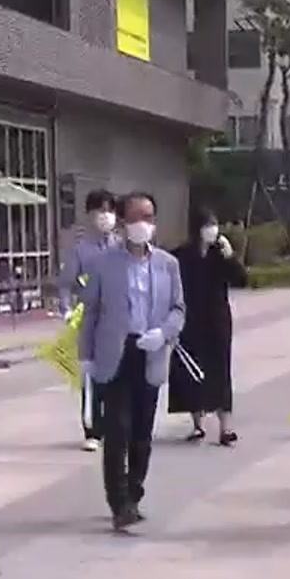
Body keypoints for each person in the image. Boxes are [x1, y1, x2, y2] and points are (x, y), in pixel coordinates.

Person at [78, 190, 184, 532]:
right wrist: (85, 356)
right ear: (123, 223)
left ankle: (134, 493)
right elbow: (91, 311)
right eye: (137, 217)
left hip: (149, 353)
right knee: (117, 430)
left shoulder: (167, 264)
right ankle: (118, 501)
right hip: (115, 354)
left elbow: (179, 310)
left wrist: (165, 333)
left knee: (142, 433)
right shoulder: (104, 264)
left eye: (149, 217)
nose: (144, 224)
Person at [168, 206, 247, 446]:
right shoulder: (181, 255)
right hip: (190, 320)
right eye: (207, 225)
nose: (212, 230)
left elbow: (241, 280)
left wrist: (231, 256)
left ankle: (225, 428)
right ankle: (197, 424)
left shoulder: (219, 254)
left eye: (214, 224)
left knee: (220, 372)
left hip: (217, 320)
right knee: (190, 371)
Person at [58, 189, 121, 452]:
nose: (106, 216)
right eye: (101, 211)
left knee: (117, 375)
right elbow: (65, 284)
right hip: (90, 322)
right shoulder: (81, 251)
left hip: (118, 321)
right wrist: (67, 310)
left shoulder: (122, 246)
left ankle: (116, 425)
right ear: (91, 214)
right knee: (92, 377)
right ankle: (93, 429)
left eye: (110, 210)